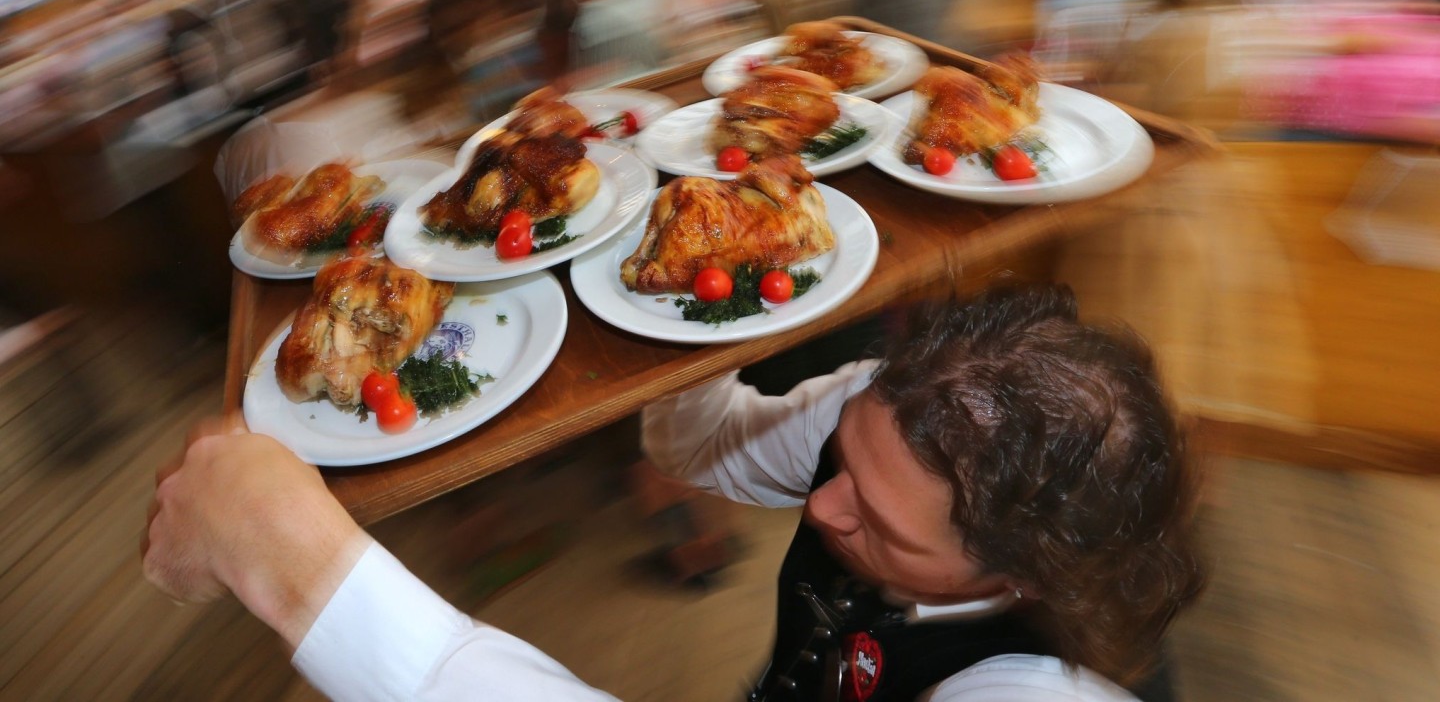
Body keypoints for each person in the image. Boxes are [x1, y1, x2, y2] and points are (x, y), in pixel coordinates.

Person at [142, 284, 1204, 701]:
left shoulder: (1042, 693)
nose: (827, 507)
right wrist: (694, 315)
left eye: (879, 526)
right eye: (847, 460)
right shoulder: (892, 415)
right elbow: (704, 452)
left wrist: (295, 563)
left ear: (1021, 572)